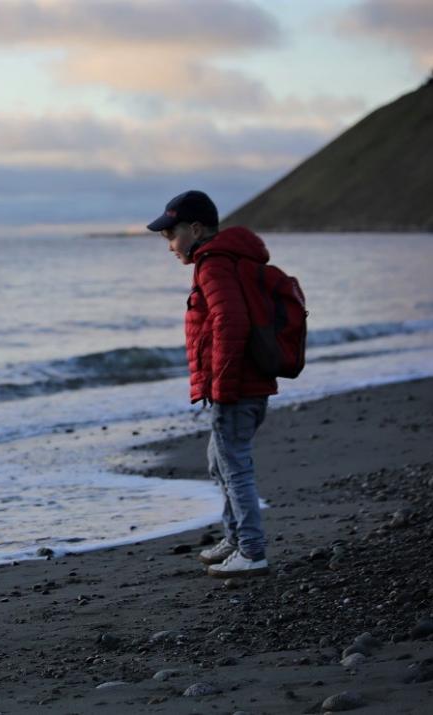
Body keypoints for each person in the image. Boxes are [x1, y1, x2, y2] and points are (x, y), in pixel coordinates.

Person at [148, 190, 275, 578]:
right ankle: (235, 538)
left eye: (172, 235)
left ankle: (251, 550)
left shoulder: (213, 264)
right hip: (246, 382)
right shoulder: (226, 260)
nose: (169, 246)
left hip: (235, 387)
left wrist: (221, 387)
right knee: (218, 462)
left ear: (196, 229)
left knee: (234, 466)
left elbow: (230, 322)